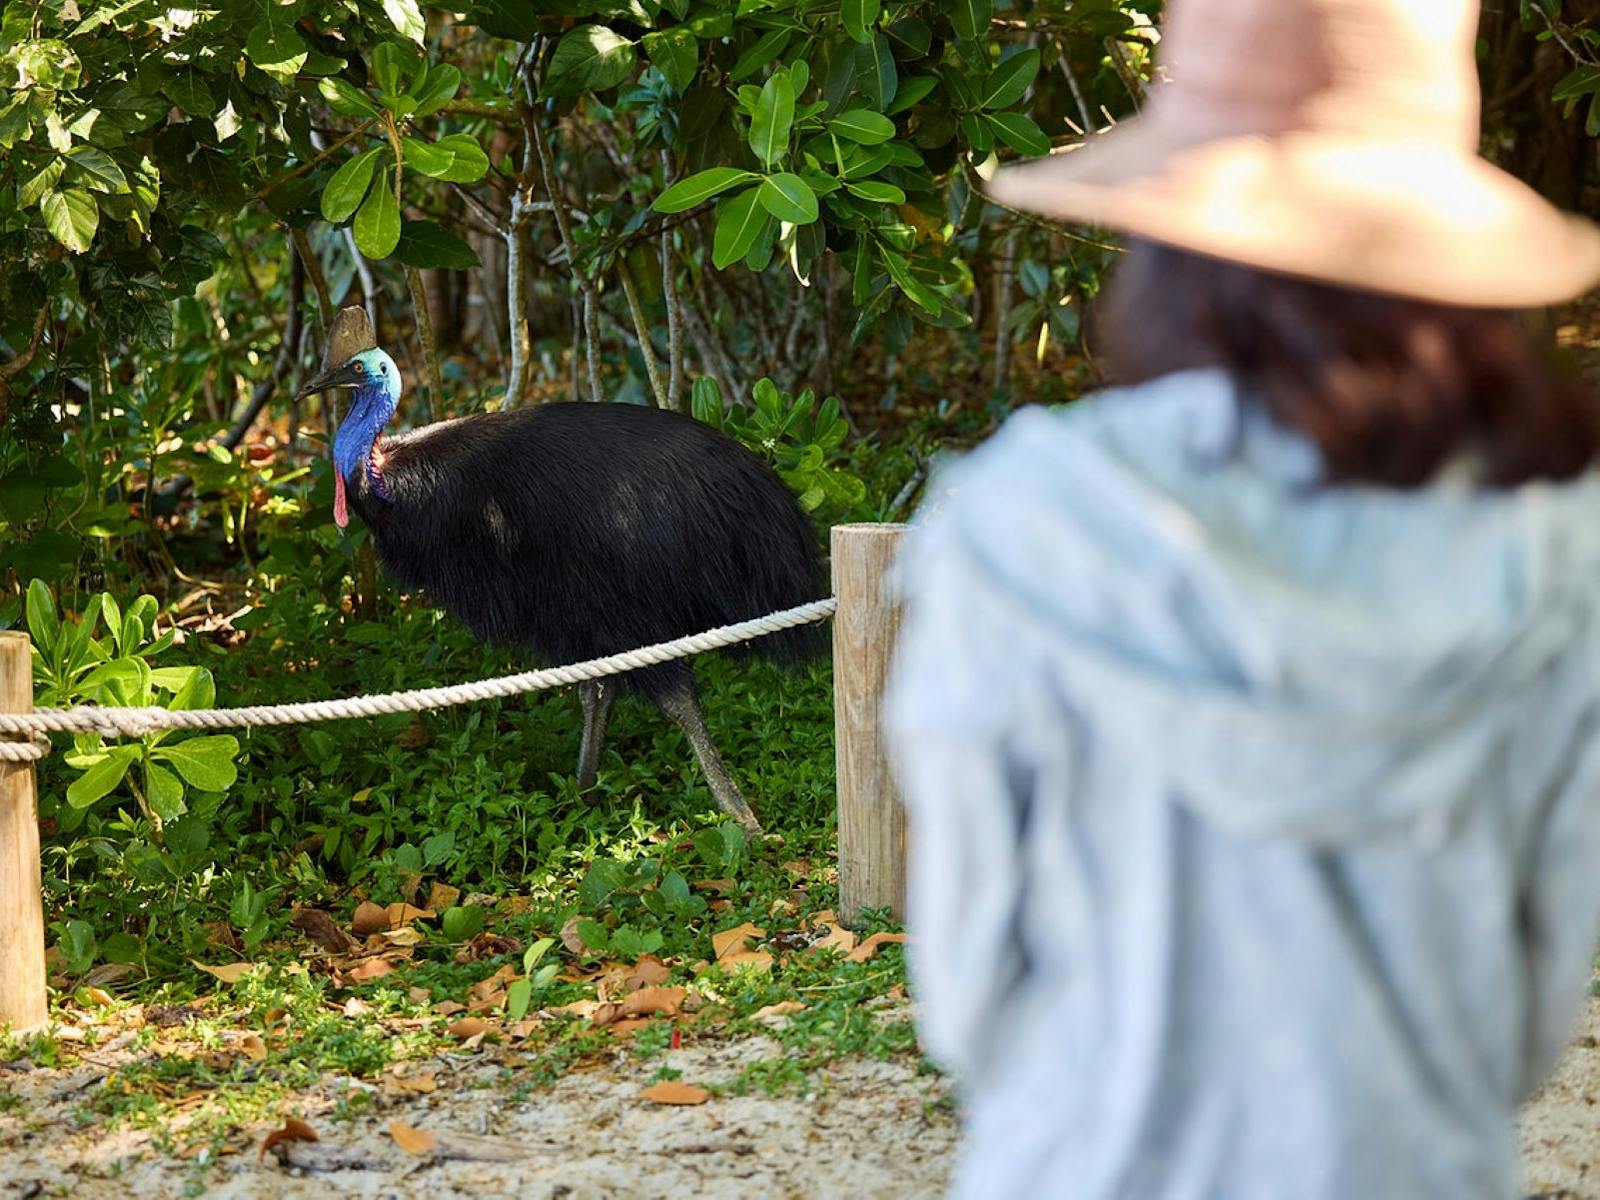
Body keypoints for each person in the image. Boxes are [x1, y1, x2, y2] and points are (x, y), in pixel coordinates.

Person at [883, 1, 1600, 1197]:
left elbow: (966, 997)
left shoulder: (1019, 523)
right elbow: (1530, 1020)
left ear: (1170, 222)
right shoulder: (1561, 545)